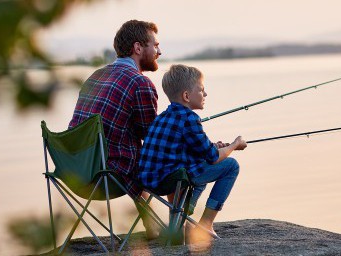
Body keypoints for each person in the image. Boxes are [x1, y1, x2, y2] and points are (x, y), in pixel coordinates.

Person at [68, 20, 162, 238]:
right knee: (163, 156)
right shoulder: (140, 83)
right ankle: (172, 228)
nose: (159, 51)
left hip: (75, 170)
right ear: (138, 48)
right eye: (155, 45)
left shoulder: (95, 76)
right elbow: (151, 138)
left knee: (133, 153)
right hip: (107, 176)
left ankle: (152, 226)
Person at [138, 64, 247, 239]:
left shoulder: (161, 117)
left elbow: (187, 146)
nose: (205, 94)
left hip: (149, 181)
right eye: (202, 90)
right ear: (187, 96)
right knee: (231, 166)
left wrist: (214, 145)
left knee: (198, 163)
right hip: (172, 180)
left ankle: (182, 221)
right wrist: (234, 144)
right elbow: (212, 157)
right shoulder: (189, 118)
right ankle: (205, 224)